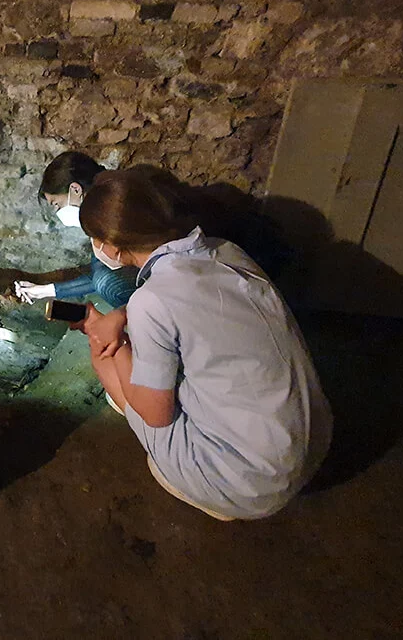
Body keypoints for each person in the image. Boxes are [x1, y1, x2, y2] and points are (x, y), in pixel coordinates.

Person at [75, 165, 333, 520]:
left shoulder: (151, 302)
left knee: (109, 364)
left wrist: (111, 341)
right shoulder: (225, 251)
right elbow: (184, 304)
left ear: (115, 247)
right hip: (311, 444)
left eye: (97, 239)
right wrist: (122, 315)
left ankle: (199, 484)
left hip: (250, 484)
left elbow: (157, 414)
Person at [13, 151, 138, 309]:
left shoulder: (116, 209)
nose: (58, 212)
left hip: (164, 280)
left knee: (109, 285)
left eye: (57, 204)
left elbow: (106, 278)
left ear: (76, 190)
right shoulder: (100, 209)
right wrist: (44, 291)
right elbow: (99, 271)